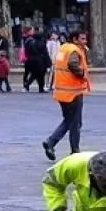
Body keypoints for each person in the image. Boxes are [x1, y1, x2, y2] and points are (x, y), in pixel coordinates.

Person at [42, 30, 90, 161]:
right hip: (73, 92)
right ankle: (71, 149)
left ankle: (53, 143)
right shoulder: (74, 50)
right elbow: (72, 64)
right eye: (82, 39)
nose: (85, 41)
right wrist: (82, 74)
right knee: (75, 122)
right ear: (74, 39)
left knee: (69, 120)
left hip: (62, 91)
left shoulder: (63, 48)